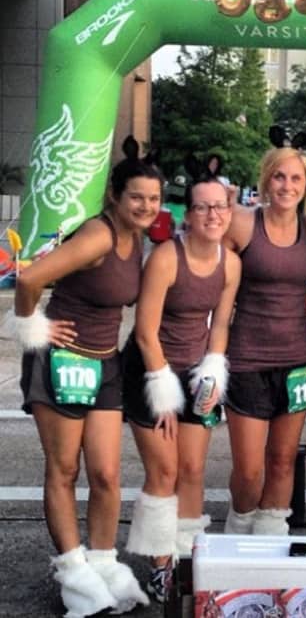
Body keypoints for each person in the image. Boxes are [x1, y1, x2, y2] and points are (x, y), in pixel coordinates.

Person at [10, 136, 161, 617]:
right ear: (115, 196)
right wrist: (34, 327)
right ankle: (75, 574)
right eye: (136, 196)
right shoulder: (98, 235)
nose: (145, 206)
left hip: (104, 363)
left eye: (153, 198)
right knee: (64, 470)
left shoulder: (136, 239)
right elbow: (30, 278)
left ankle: (103, 562)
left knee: (107, 474)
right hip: (62, 362)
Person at [122, 170, 241, 601]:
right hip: (151, 372)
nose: (214, 214)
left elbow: (222, 323)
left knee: (192, 469)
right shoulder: (166, 258)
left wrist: (213, 370)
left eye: (221, 206)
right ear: (187, 215)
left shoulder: (231, 262)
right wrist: (164, 393)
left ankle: (187, 555)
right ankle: (159, 562)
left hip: (195, 371)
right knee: (166, 470)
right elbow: (144, 332)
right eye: (203, 207)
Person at [222, 146, 306, 535]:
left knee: (282, 461)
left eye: (296, 178)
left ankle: (271, 538)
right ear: (265, 180)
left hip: (297, 360)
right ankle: (239, 527)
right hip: (246, 360)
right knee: (249, 469)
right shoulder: (242, 223)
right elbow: (200, 266)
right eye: (279, 176)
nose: (287, 185)